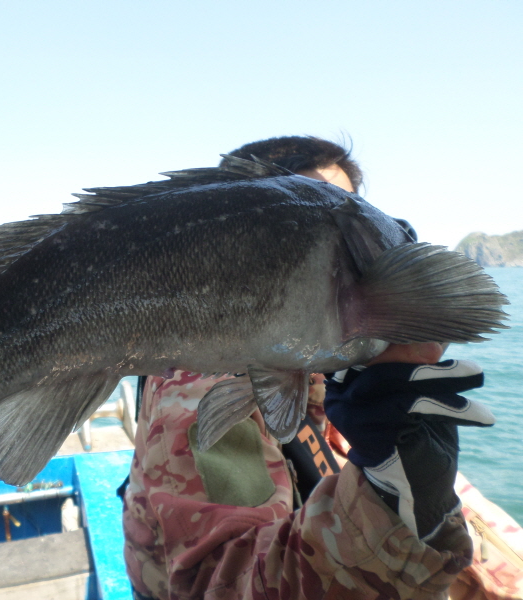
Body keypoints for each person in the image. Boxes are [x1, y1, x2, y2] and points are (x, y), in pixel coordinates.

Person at [122, 136, 490, 599]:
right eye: (303, 228)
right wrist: (391, 500)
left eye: (354, 228)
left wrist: (407, 469)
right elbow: (220, 583)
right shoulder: (206, 380)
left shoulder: (320, 364)